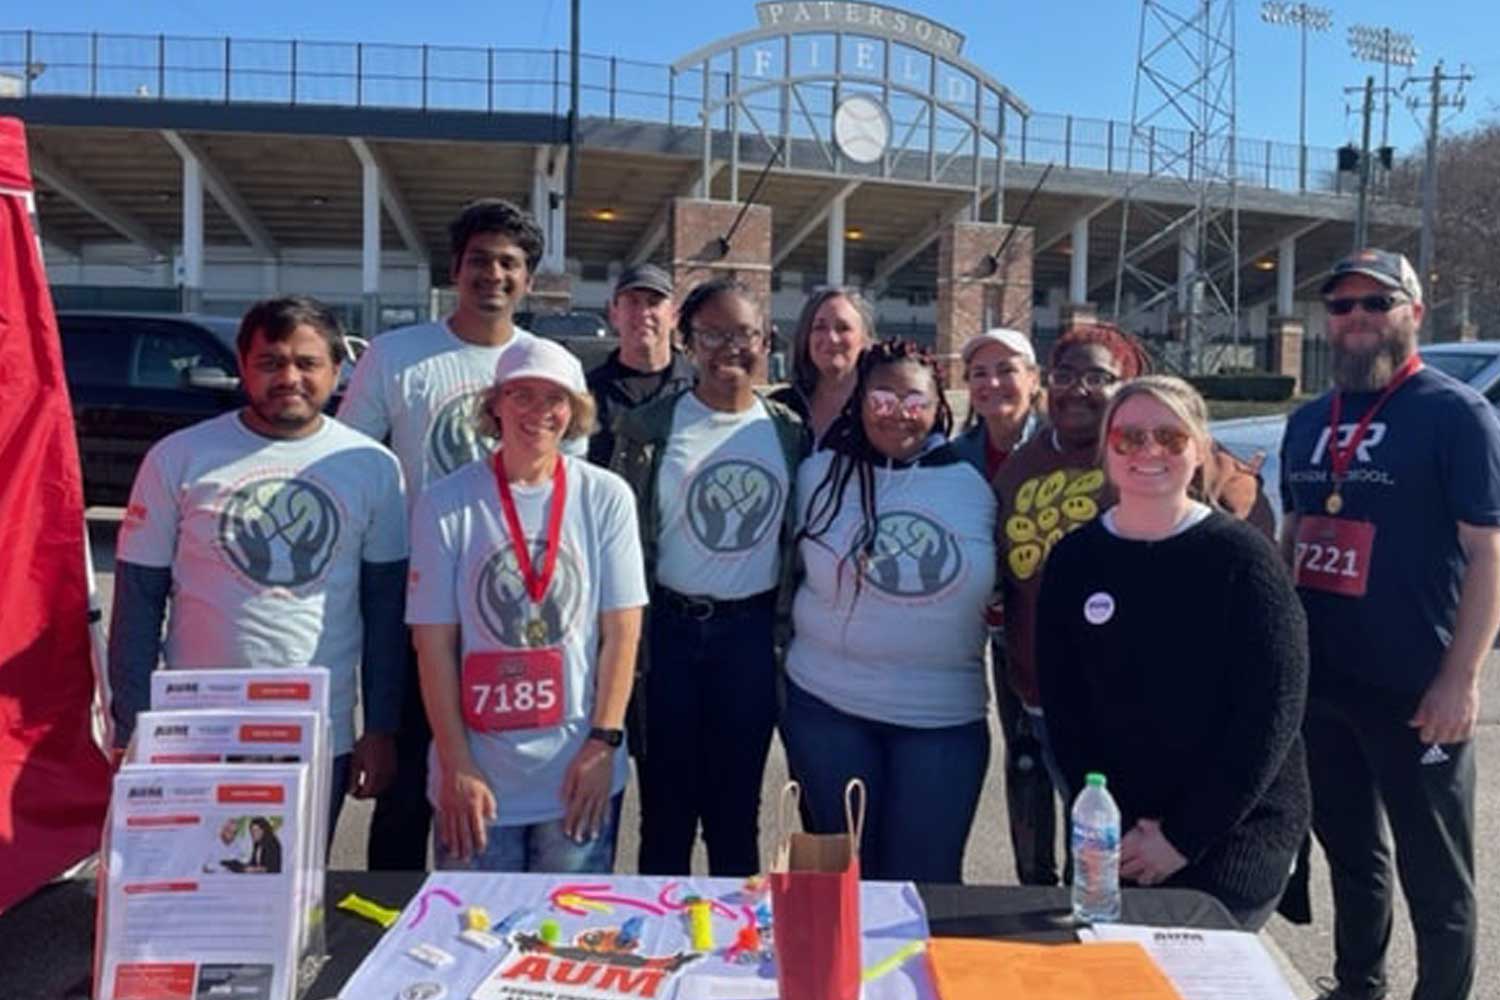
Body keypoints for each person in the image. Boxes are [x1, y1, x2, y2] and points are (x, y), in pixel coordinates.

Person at [1280, 249, 1500, 1000]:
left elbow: (1487, 553)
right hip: (1327, 684)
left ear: (1412, 313)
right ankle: (1358, 986)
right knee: (1351, 855)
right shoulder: (1310, 420)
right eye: (1342, 307)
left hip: (1417, 688)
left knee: (1435, 876)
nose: (1357, 320)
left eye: (1377, 304)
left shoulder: (1456, 415)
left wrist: (1460, 680)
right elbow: (1296, 530)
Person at [108, 296, 408, 844]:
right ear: (242, 366)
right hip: (195, 729)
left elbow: (384, 611)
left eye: (307, 363)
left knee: (295, 896)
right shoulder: (179, 457)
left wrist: (381, 728)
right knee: (196, 891)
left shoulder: (373, 467)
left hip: (318, 731)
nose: (289, 377)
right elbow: (138, 601)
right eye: (271, 362)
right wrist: (130, 724)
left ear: (337, 370)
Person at [338, 198, 568, 869]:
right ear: (454, 269)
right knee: (409, 787)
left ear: (528, 278)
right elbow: (353, 466)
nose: (492, 274)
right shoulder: (398, 355)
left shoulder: (550, 363)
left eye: (508, 263)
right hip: (424, 604)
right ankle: (387, 929)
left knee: (506, 786)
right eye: (479, 260)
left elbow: (569, 493)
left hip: (514, 608)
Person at [1037, 376, 1309, 930]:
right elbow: (1065, 710)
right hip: (1117, 830)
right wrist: (1119, 826)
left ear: (1201, 448)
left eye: (1170, 436)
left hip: (1234, 826)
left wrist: (1182, 838)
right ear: (1106, 450)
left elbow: (1272, 712)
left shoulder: (1242, 560)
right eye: (1129, 438)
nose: (1149, 452)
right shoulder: (1074, 560)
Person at [407, 337, 647, 872]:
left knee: (567, 939)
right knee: (471, 944)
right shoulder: (445, 503)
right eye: (522, 395)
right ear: (495, 404)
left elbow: (622, 633)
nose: (539, 412)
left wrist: (603, 744)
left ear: (575, 411)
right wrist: (456, 762)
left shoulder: (605, 497)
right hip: (478, 779)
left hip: (575, 774)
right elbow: (434, 645)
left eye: (555, 399)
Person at [611, 278, 809, 876]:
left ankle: (736, 949)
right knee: (665, 815)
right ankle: (658, 944)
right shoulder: (648, 428)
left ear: (766, 339)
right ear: (688, 342)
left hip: (750, 638)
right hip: (668, 635)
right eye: (713, 334)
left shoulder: (789, 433)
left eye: (744, 333)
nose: (730, 347)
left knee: (735, 813)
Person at [781, 339, 995, 883]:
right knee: (843, 882)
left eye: (914, 400)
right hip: (827, 709)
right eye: (882, 397)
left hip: (941, 719)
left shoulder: (978, 484)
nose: (898, 413)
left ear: (938, 406)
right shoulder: (818, 475)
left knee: (926, 886)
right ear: (858, 400)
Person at [951, 328, 1054, 886]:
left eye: (1007, 369)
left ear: (1034, 379)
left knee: (1080, 764)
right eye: (979, 373)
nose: (993, 383)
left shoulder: (1066, 444)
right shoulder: (955, 457)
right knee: (1023, 757)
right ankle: (1036, 882)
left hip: (1069, 632)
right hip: (998, 631)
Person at [585, 263, 695, 466]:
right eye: (633, 302)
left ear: (673, 317)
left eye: (654, 302)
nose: (643, 313)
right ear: (614, 314)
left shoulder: (699, 388)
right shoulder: (587, 391)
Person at [768, 286, 875, 444]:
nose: (831, 338)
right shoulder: (779, 408)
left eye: (843, 328)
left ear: (864, 340)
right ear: (807, 336)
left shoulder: (880, 409)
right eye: (820, 327)